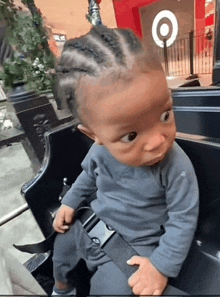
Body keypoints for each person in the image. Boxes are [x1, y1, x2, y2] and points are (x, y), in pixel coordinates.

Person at [52, 25, 199, 296]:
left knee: (109, 290)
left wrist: (160, 267)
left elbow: (183, 218)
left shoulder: (176, 165)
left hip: (135, 248)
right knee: (60, 250)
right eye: (131, 135)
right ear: (95, 135)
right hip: (92, 222)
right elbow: (87, 176)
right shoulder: (100, 151)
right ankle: (62, 288)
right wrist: (70, 202)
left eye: (165, 114)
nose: (157, 141)